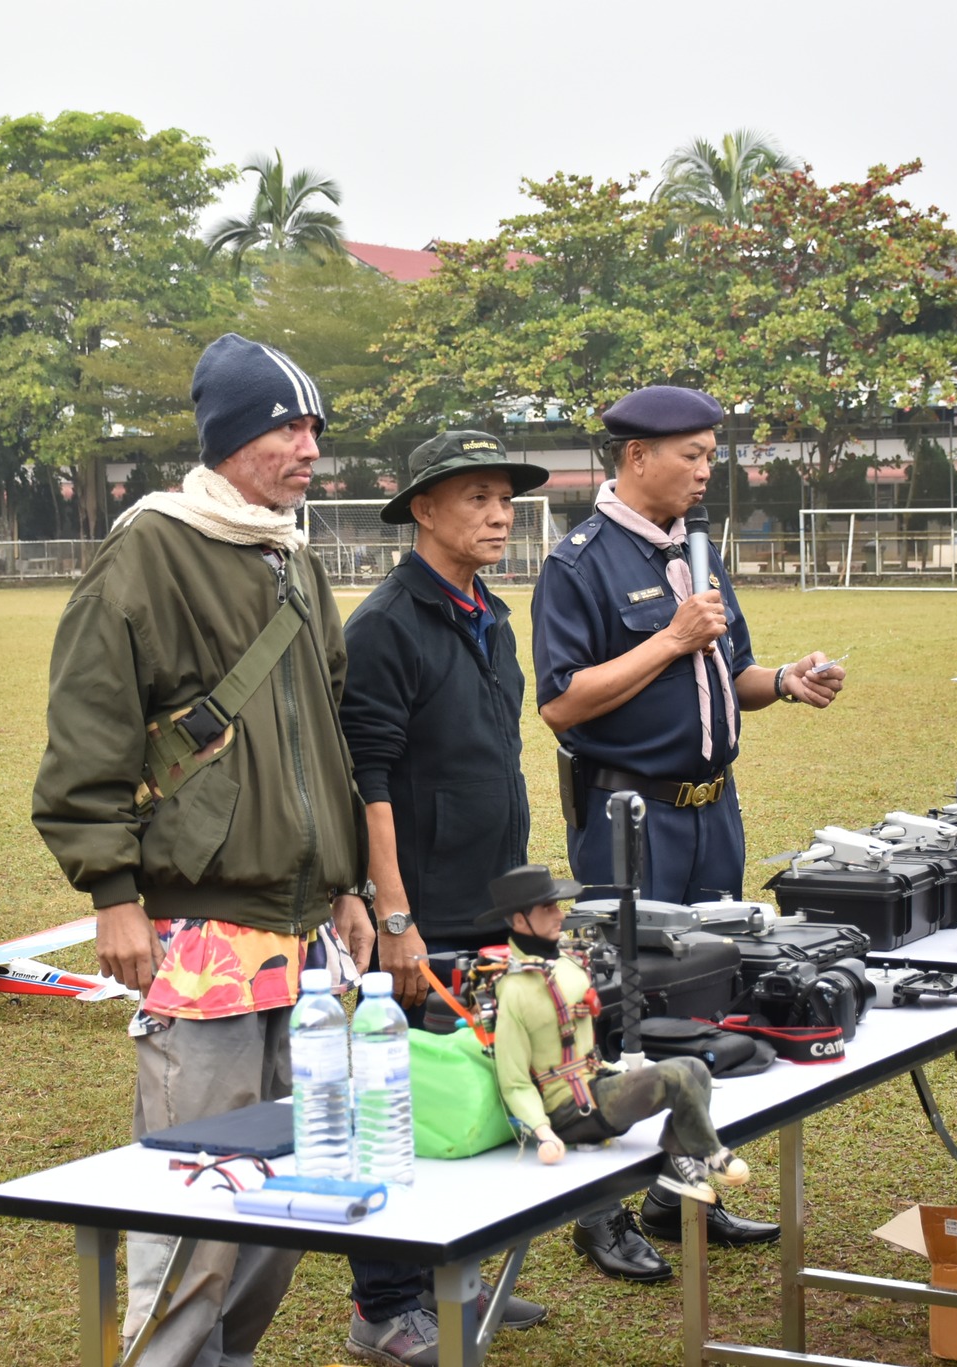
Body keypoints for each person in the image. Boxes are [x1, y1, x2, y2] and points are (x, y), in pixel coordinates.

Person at [32, 332, 374, 1367]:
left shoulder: (292, 552)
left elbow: (328, 728)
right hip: (200, 924)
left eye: (315, 428)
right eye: (287, 427)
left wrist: (350, 881)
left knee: (291, 1190)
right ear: (229, 436)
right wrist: (111, 890)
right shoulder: (149, 548)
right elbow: (89, 724)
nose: (309, 448)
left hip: (306, 927)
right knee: (197, 1196)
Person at [530, 384, 845, 1275]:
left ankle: (678, 1188)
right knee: (619, 1010)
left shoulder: (697, 553)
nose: (708, 471)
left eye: (712, 454)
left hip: (714, 814)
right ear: (637, 456)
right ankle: (599, 1213)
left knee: (707, 1000)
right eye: (693, 455)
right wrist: (668, 639)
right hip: (631, 818)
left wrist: (784, 681)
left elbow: (731, 670)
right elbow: (561, 702)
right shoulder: (579, 564)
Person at [335, 430, 552, 1366]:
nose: (500, 515)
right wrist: (395, 917)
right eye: (477, 498)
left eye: (506, 498)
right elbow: (369, 778)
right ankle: (384, 1306)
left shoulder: (492, 614)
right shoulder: (386, 625)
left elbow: (493, 759)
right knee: (397, 1109)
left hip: (489, 900)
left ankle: (452, 1279)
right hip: (420, 914)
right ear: (422, 510)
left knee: (474, 1096)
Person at [481, 864, 750, 1193]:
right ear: (520, 920)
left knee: (695, 1068)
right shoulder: (514, 990)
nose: (559, 915)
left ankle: (678, 1160)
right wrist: (543, 1132)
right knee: (675, 1078)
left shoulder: (566, 964)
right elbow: (514, 1081)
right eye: (547, 908)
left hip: (595, 1082)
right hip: (568, 1111)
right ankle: (711, 1151)